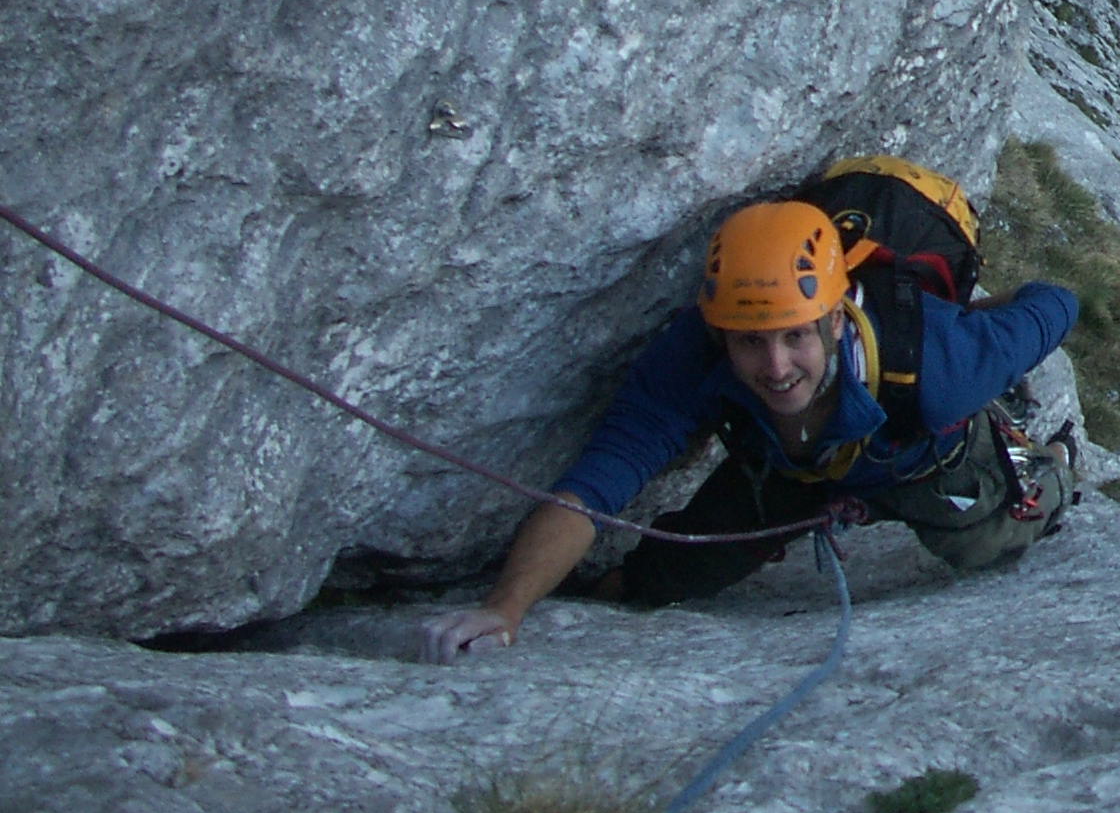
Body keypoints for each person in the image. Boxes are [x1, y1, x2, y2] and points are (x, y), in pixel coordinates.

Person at [422, 194, 1081, 659]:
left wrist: (979, 318)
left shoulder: (943, 366)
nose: (775, 367)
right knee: (661, 579)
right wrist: (506, 608)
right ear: (720, 334)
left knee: (988, 541)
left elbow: (1057, 303)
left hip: (921, 458)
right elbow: (595, 487)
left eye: (796, 337)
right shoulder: (693, 354)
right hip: (787, 468)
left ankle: (1054, 461)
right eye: (749, 342)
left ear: (834, 320)